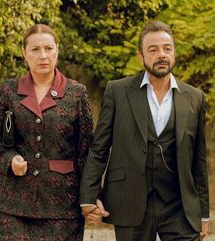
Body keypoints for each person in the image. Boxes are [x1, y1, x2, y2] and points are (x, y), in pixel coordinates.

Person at [80, 20, 209, 241]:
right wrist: (88, 196)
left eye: (167, 49)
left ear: (174, 53)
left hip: (178, 206)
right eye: (153, 49)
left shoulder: (195, 97)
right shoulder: (117, 91)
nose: (162, 54)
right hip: (130, 201)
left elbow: (199, 160)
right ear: (141, 57)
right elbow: (99, 148)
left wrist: (203, 214)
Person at [0, 24, 93, 241]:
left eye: (48, 48)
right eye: (35, 49)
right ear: (24, 53)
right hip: (13, 203)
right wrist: (9, 158)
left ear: (57, 51)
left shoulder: (77, 93)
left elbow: (86, 149)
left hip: (63, 205)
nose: (43, 55)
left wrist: (90, 195)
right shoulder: (9, 90)